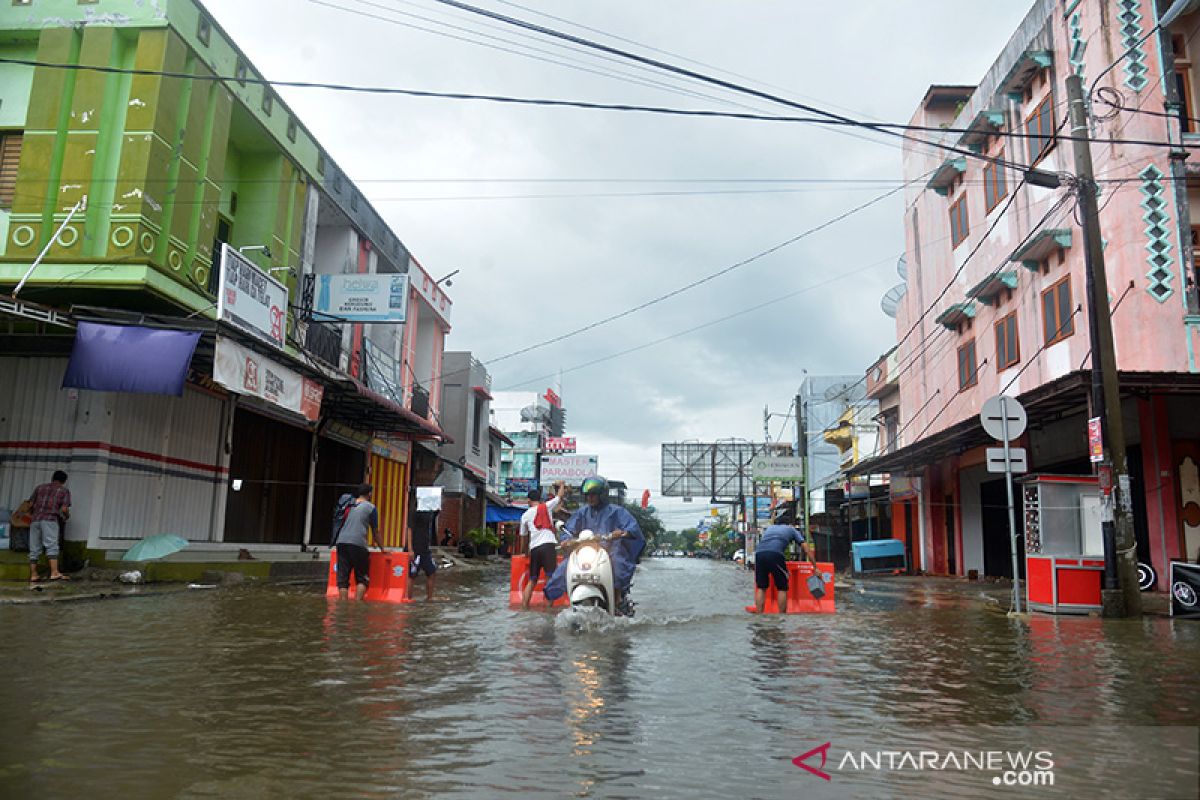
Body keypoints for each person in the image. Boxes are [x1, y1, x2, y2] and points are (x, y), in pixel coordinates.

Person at [544, 476, 644, 615]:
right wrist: (567, 539)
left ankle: (617, 600)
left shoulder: (617, 511)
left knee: (619, 563)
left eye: (593, 494)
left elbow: (632, 529)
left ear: (602, 495)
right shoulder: (582, 512)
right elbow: (569, 529)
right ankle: (551, 606)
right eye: (588, 495)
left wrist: (623, 533)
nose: (590, 498)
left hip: (609, 551)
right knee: (564, 567)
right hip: (585, 551)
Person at [519, 481, 567, 610]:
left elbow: (523, 537)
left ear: (529, 500)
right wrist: (562, 485)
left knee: (532, 579)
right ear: (538, 499)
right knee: (549, 577)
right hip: (548, 546)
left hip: (534, 548)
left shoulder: (524, 516)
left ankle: (524, 607)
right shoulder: (546, 507)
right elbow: (559, 497)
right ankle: (548, 608)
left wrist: (525, 552)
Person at [336, 483, 385, 600]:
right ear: (369, 494)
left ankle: (343, 605)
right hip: (357, 544)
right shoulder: (370, 508)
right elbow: (375, 532)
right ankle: (358, 605)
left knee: (343, 579)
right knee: (362, 578)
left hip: (341, 542)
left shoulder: (348, 505)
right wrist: (383, 548)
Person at [27, 471, 71, 583]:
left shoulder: (40, 487)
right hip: (50, 520)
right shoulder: (64, 491)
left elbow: (30, 504)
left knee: (34, 548)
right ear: (64, 481)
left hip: (35, 519)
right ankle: (54, 572)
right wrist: (66, 516)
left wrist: (33, 513)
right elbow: (64, 509)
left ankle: (33, 574)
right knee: (51, 545)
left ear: (52, 478)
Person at [754, 523, 808, 614]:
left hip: (759, 554)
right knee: (782, 587)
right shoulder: (792, 530)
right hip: (775, 554)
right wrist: (815, 566)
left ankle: (759, 614)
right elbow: (805, 547)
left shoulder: (769, 529)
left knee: (761, 587)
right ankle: (782, 615)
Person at [407, 509, 437, 602]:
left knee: (432, 572)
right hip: (416, 548)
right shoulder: (416, 511)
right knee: (412, 575)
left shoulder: (430, 512)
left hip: (425, 549)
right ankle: (408, 599)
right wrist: (410, 549)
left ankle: (430, 597)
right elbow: (409, 529)